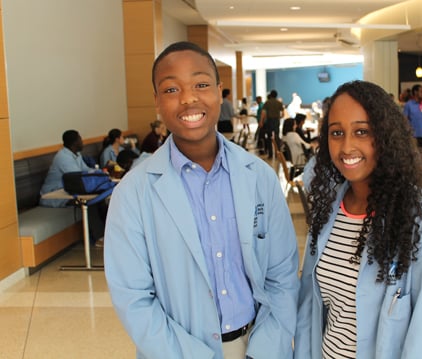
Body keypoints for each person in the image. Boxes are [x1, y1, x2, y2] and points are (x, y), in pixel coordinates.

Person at [104, 41, 299, 359]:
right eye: (171, 89)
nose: (188, 98)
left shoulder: (259, 177)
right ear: (156, 101)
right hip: (174, 351)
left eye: (201, 84)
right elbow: (134, 298)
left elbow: (283, 275)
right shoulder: (132, 193)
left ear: (220, 91)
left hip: (260, 345)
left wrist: (267, 348)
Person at [295, 80, 422, 359]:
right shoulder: (327, 211)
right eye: (337, 133)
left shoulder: (421, 218)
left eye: (362, 132)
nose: (347, 146)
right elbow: (309, 309)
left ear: (385, 136)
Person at [40, 130, 92, 208]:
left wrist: (101, 172)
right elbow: (77, 178)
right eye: (80, 139)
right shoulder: (63, 157)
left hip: (66, 192)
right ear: (75, 143)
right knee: (85, 203)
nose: (82, 142)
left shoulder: (77, 154)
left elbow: (86, 170)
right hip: (52, 196)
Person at [403, 84, 422, 155]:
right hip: (413, 135)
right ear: (415, 92)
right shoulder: (408, 105)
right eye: (421, 92)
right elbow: (405, 120)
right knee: (413, 155)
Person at [260, 89, 284, 158]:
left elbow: (263, 113)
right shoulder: (279, 103)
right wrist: (279, 117)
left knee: (269, 137)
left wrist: (261, 122)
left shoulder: (267, 102)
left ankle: (270, 154)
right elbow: (283, 114)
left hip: (269, 121)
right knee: (276, 137)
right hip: (276, 121)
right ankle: (278, 153)